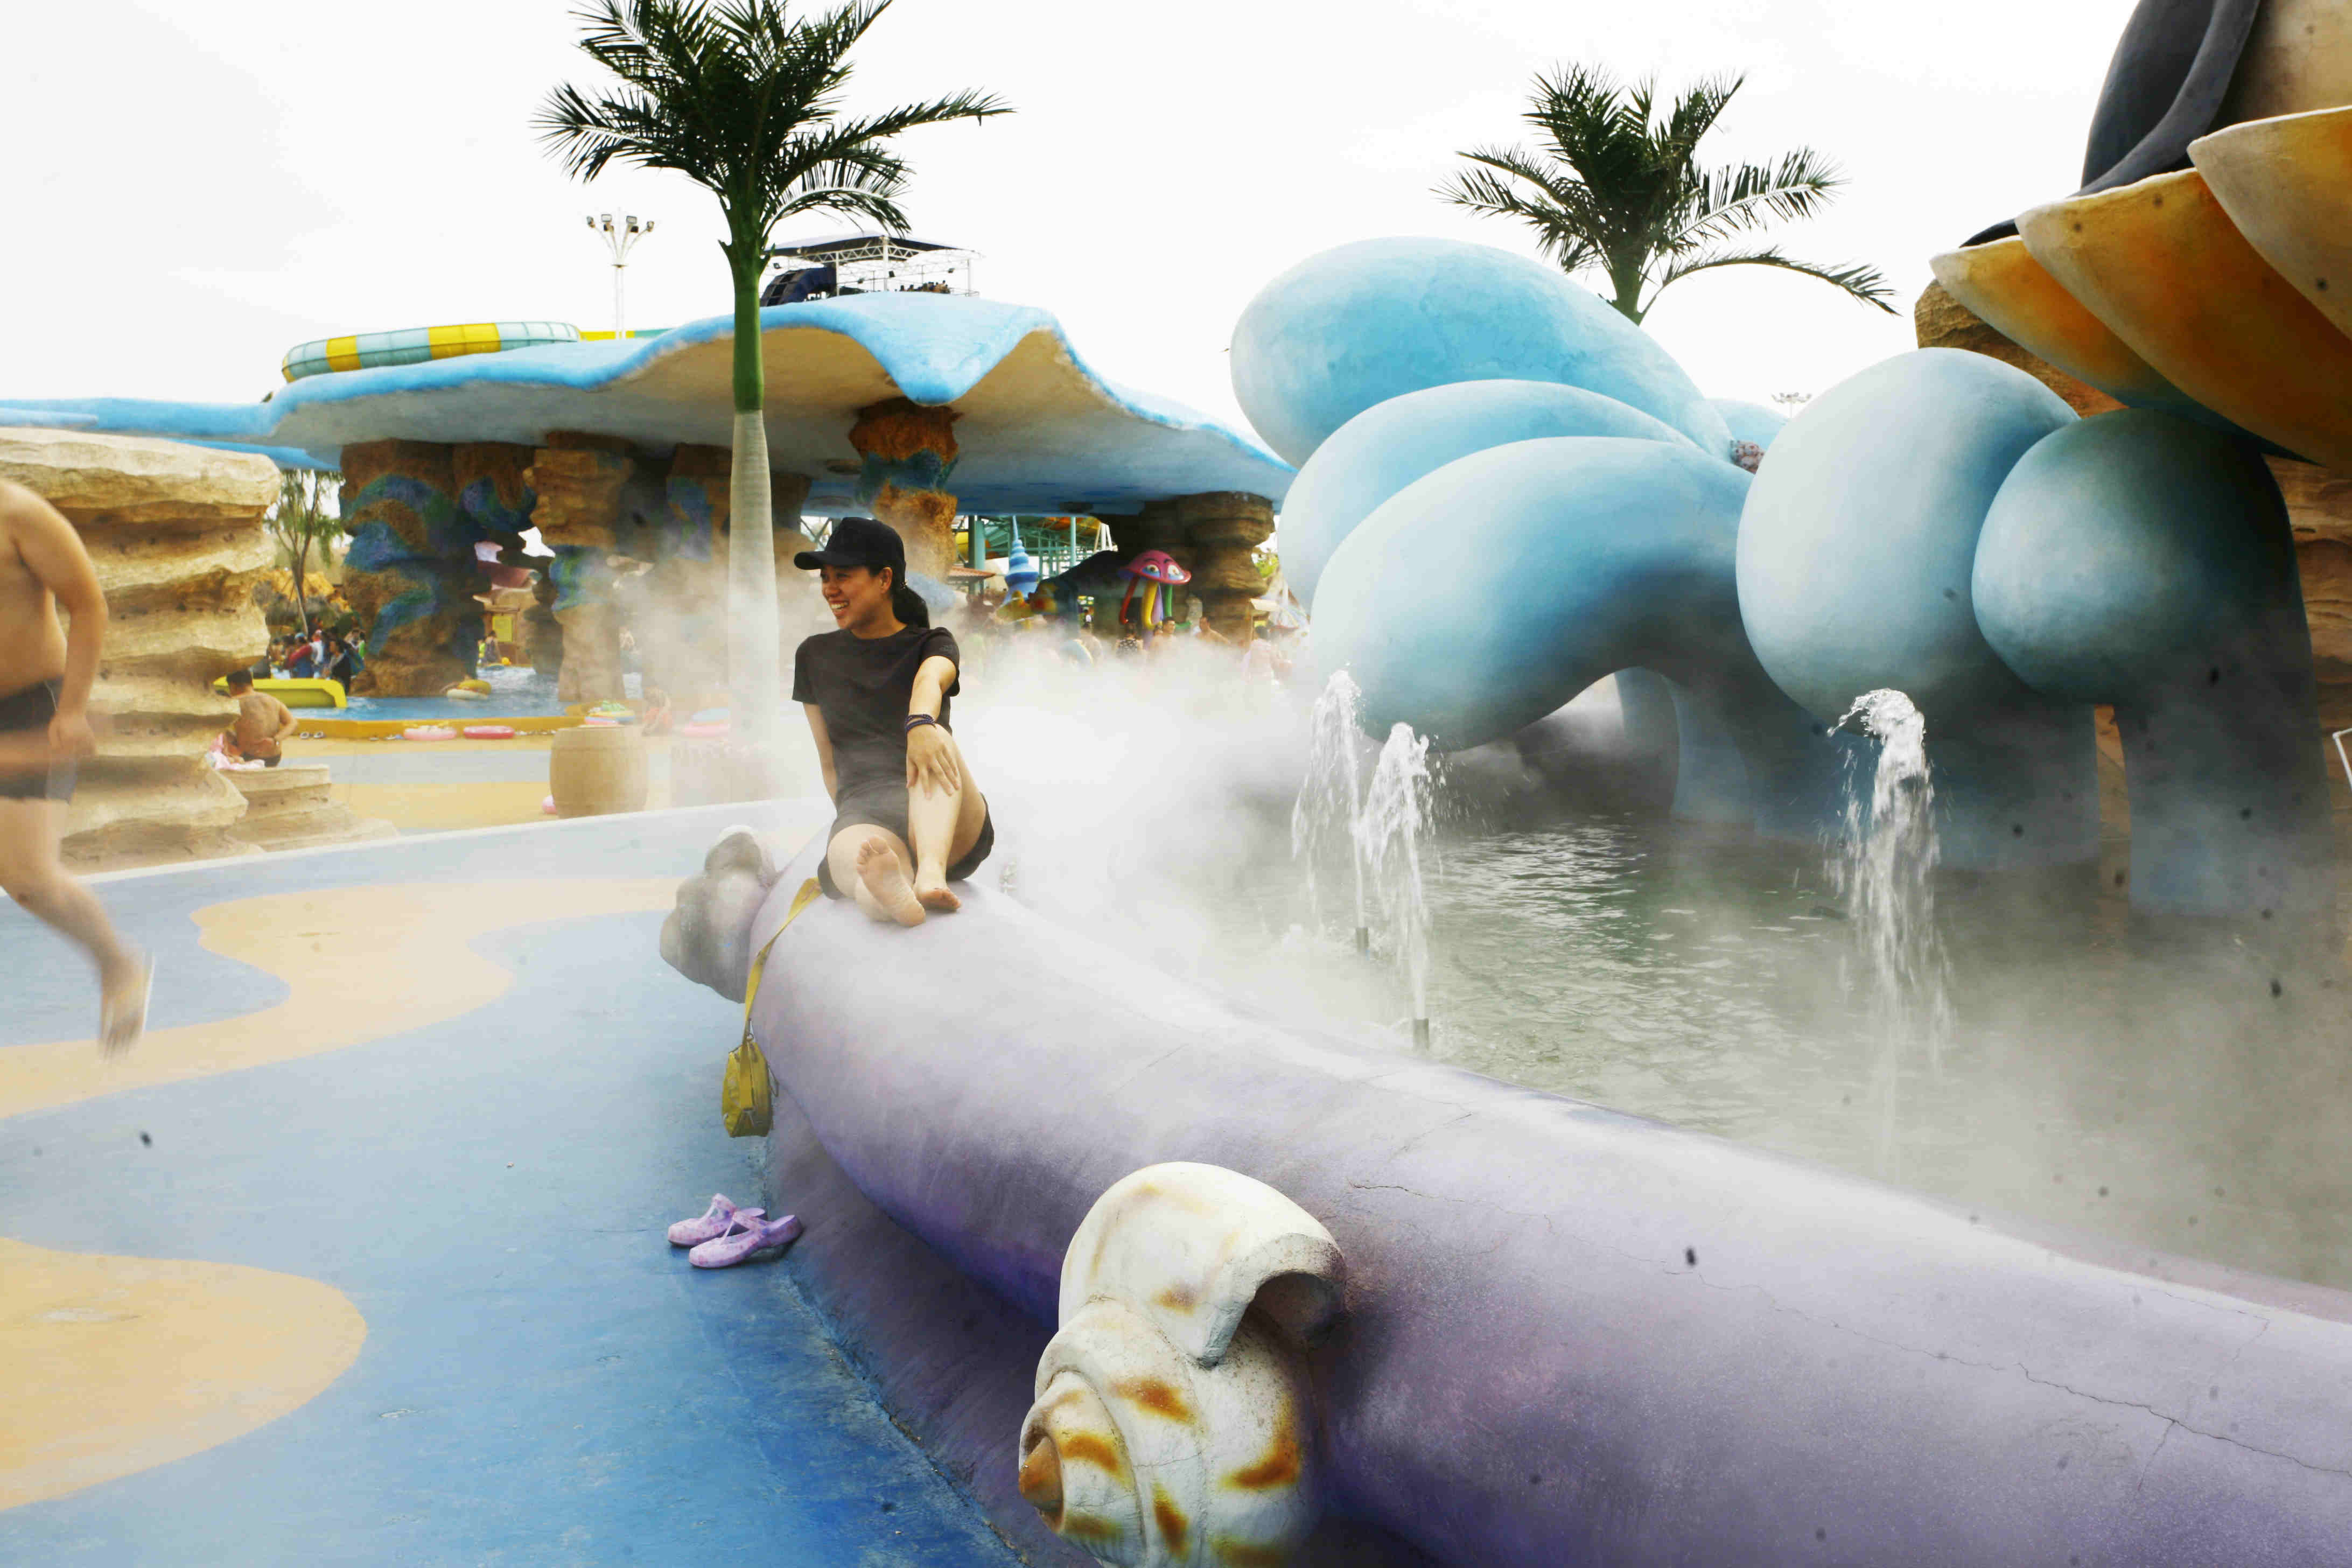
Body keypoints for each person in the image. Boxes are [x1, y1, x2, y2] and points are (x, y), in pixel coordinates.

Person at [0, 479, 151, 1052]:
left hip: (34, 702)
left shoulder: (17, 513)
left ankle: (116, 962)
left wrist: (72, 710)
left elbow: (87, 604)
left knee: (29, 880)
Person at [792, 516, 992, 928]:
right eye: (825, 577)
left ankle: (931, 873)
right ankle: (884, 892)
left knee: (935, 734)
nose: (830, 588)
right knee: (854, 857)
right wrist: (850, 819)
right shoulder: (813, 655)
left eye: (843, 576)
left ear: (884, 579)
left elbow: (930, 680)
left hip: (945, 815)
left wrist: (919, 723)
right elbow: (829, 761)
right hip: (868, 809)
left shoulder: (931, 642)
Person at [223, 668, 297, 767]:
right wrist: (275, 740)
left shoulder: (234, 702)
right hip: (274, 758)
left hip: (249, 757)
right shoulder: (273, 700)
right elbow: (293, 723)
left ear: (233, 686)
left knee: (221, 732)